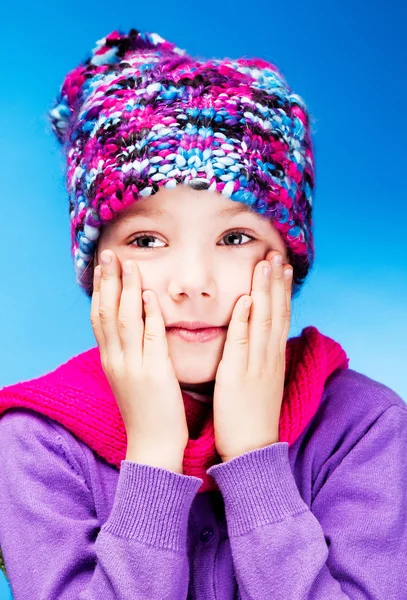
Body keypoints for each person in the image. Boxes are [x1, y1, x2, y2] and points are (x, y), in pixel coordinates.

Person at [0, 27, 405, 600]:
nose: (194, 284)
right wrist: (154, 460)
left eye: (235, 236)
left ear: (288, 259)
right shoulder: (37, 444)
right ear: (95, 267)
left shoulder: (363, 429)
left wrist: (254, 463)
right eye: (146, 240)